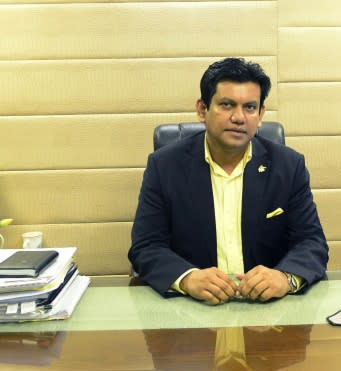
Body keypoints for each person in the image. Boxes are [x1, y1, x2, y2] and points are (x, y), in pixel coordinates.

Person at [128, 57, 328, 305]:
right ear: (202, 110)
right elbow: (146, 246)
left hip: (267, 314)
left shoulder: (288, 166)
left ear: (261, 114)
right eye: (227, 104)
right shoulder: (164, 166)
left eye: (250, 107)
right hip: (192, 315)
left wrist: (284, 278)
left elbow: (311, 242)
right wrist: (188, 278)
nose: (239, 117)